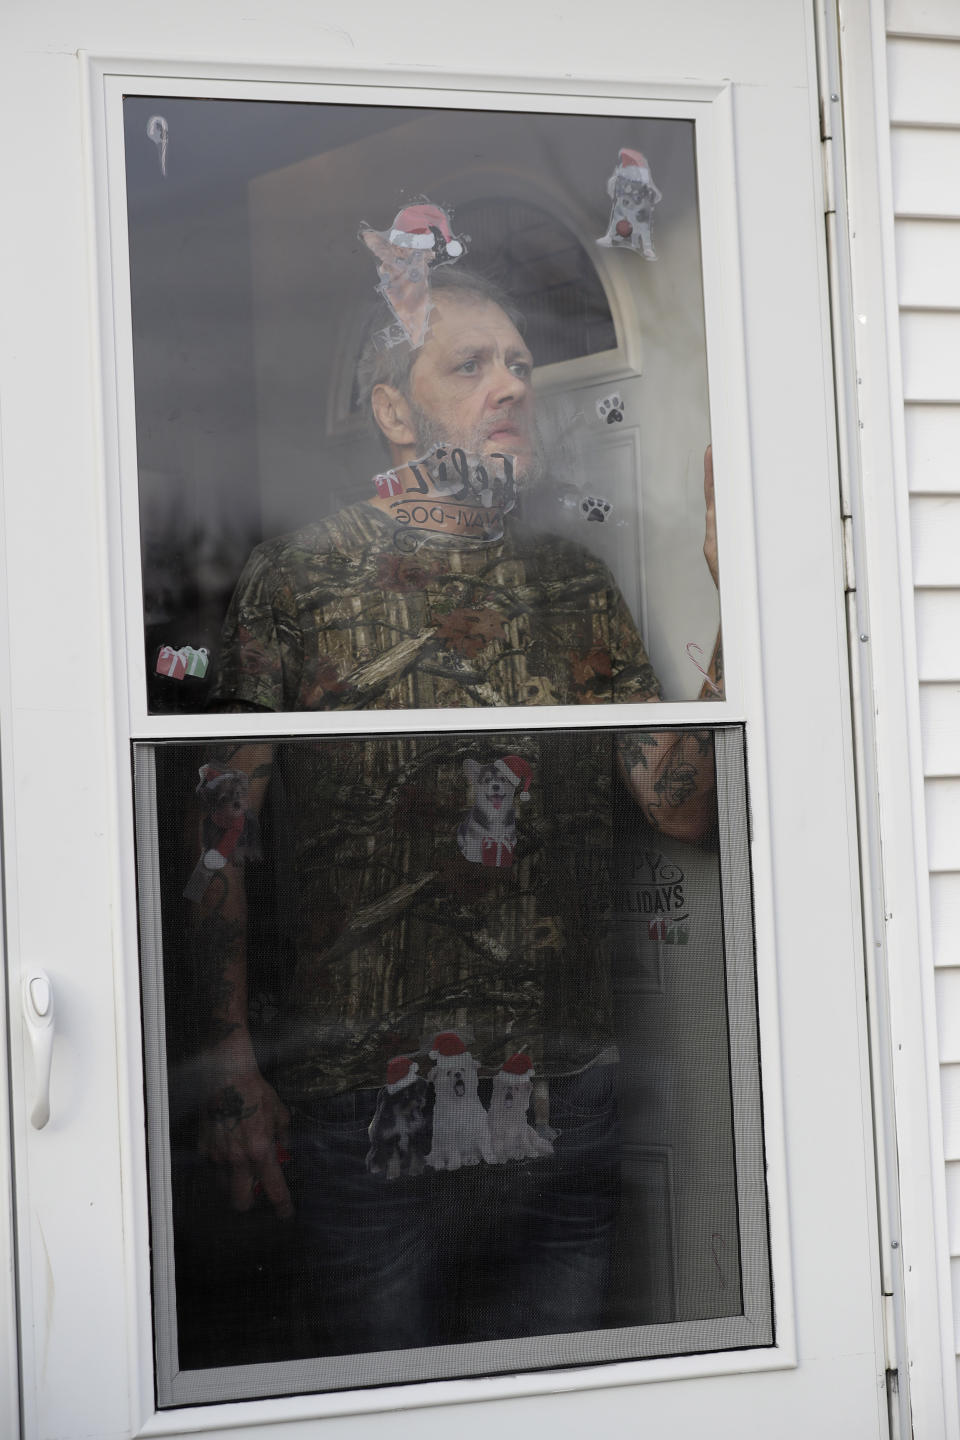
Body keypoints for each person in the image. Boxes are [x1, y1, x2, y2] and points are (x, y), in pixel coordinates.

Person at [188, 267, 721, 1358]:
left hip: (563, 1087)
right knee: (388, 1403)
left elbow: (675, 809)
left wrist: (740, 594)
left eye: (521, 362)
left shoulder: (572, 587)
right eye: (470, 364)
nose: (512, 384)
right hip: (367, 1095)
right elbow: (216, 840)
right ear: (393, 409)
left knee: (565, 1399)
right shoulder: (299, 582)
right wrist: (233, 1068)